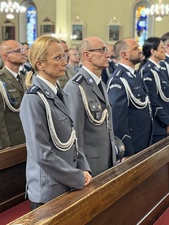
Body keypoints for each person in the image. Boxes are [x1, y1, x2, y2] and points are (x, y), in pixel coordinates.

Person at [19, 35, 92, 210]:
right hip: (49, 189)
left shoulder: (59, 94)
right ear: (40, 64)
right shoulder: (34, 99)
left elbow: (71, 138)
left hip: (68, 181)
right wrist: (76, 177)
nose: (64, 62)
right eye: (58, 58)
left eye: (64, 57)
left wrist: (84, 168)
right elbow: (42, 153)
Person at [64, 36, 117, 176]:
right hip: (90, 163)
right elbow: (75, 132)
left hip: (107, 157)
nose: (108, 54)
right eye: (102, 50)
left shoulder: (100, 83)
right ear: (86, 55)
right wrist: (81, 167)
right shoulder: (76, 87)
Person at [107, 38, 153, 160]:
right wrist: (126, 150)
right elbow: (118, 119)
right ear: (124, 54)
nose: (140, 50)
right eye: (135, 48)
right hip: (133, 144)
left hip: (143, 140)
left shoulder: (134, 75)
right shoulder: (118, 80)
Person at [0, 40, 27, 150]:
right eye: (18, 51)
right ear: (6, 56)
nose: (23, 53)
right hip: (11, 141)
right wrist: (3, 145)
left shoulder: (25, 77)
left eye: (23, 50)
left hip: (28, 138)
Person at [139, 37, 169, 143]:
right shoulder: (148, 71)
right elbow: (152, 101)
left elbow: (167, 98)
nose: (165, 50)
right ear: (153, 51)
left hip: (165, 122)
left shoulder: (158, 69)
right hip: (157, 124)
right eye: (162, 47)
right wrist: (167, 121)